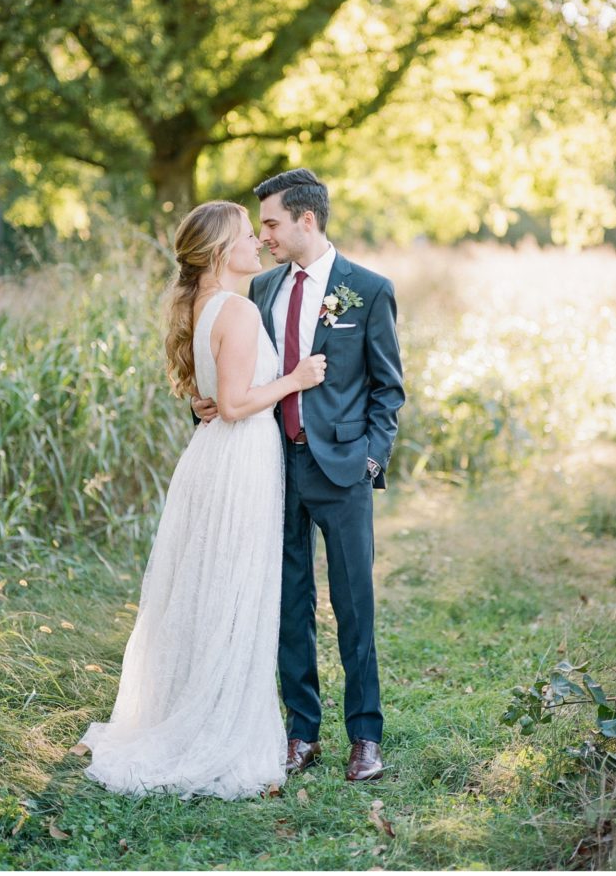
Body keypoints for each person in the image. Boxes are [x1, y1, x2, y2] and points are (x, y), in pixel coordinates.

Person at [79, 200, 326, 799]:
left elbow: (214, 393)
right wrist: (296, 378)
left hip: (213, 456)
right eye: (247, 235)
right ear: (221, 252)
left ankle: (193, 703)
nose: (257, 244)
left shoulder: (199, 304)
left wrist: (210, 399)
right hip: (239, 458)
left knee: (209, 585)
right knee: (235, 588)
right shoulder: (238, 310)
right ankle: (215, 726)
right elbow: (238, 404)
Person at [193, 170, 405, 782]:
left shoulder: (368, 289)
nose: (265, 236)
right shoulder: (259, 290)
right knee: (287, 603)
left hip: (342, 471)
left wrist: (370, 459)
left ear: (306, 220)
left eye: (272, 223)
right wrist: (206, 403)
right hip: (270, 467)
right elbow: (236, 370)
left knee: (353, 604)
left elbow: (388, 390)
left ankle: (365, 735)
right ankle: (301, 732)